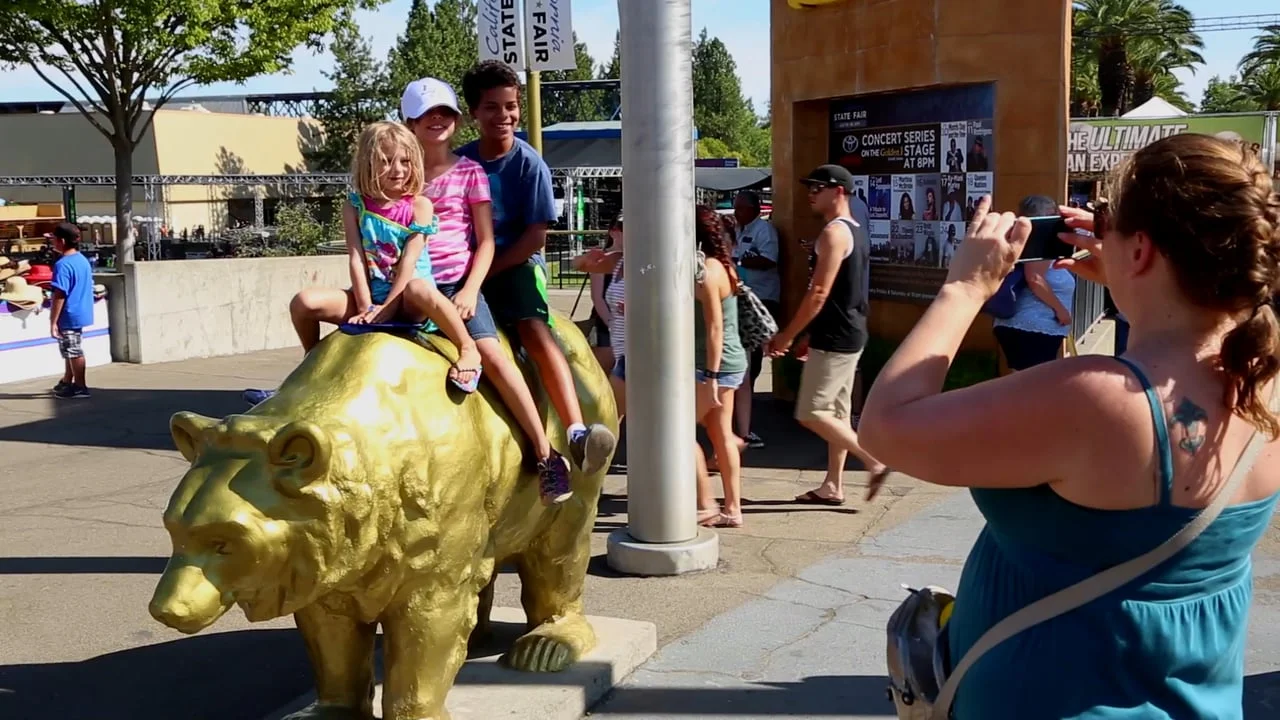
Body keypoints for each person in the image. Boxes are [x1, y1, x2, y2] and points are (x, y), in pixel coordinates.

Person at [859, 134, 1280, 718]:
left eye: (1105, 218)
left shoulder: (1099, 400)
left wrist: (965, 287)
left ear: (1143, 249)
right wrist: (1135, 279)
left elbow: (884, 427)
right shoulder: (1263, 380)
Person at [402, 76, 572, 504]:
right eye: (426, 117)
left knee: (508, 343)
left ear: (457, 121)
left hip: (469, 276)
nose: (504, 115)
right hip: (409, 283)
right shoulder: (401, 174)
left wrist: (471, 286)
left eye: (443, 115)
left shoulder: (477, 170)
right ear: (409, 123)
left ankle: (551, 447)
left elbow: (498, 239)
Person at [456, 60, 616, 476]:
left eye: (510, 106)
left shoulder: (530, 165)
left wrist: (484, 275)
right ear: (474, 112)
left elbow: (535, 238)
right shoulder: (458, 164)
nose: (504, 116)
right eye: (492, 107)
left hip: (515, 265)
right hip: (468, 268)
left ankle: (576, 429)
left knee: (532, 326)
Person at [288, 122, 481, 391]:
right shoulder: (354, 206)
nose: (398, 170)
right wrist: (366, 307)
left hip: (407, 301)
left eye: (405, 161)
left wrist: (386, 310)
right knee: (303, 302)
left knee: (418, 287)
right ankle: (311, 364)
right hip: (371, 300)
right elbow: (356, 258)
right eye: (386, 161)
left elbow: (408, 264)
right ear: (368, 162)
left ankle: (467, 347)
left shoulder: (419, 206)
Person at [766, 165, 891, 504]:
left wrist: (788, 335)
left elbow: (819, 293)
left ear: (838, 191)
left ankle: (872, 461)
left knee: (811, 411)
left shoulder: (834, 234)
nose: (810, 193)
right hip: (847, 332)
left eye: (817, 188)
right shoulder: (854, 229)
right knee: (835, 413)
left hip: (839, 337)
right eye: (809, 187)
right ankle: (833, 486)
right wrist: (809, 334)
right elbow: (839, 292)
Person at [694, 206, 749, 529]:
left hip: (714, 366)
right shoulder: (723, 265)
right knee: (721, 435)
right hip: (727, 362)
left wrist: (711, 378)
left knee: (676, 432)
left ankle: (708, 504)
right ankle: (732, 508)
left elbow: (714, 328)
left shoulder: (709, 271)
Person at [991, 194, 1076, 371]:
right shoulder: (1040, 238)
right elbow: (1034, 278)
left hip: (1022, 326)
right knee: (1031, 391)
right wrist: (1062, 311)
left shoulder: (1019, 237)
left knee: (1023, 386)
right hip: (1033, 328)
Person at [730, 190, 781, 450]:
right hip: (742, 299)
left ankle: (747, 407)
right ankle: (742, 410)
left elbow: (770, 260)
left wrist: (742, 260)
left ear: (755, 209)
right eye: (736, 208)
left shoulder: (764, 230)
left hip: (762, 299)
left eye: (741, 208)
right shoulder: (737, 229)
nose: (737, 212)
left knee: (755, 357)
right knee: (746, 359)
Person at [573, 216, 627, 418]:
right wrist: (611, 324)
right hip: (607, 325)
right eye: (621, 227)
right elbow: (597, 298)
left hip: (627, 336)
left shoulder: (637, 258)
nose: (625, 232)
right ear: (613, 231)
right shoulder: (608, 258)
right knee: (604, 380)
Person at [48, 222, 95, 399]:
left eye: (53, 239)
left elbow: (59, 294)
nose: (52, 242)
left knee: (73, 351)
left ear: (61, 240)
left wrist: (53, 321)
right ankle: (68, 380)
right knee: (70, 348)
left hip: (69, 313)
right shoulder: (82, 260)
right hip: (80, 311)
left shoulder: (62, 265)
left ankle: (80, 386)